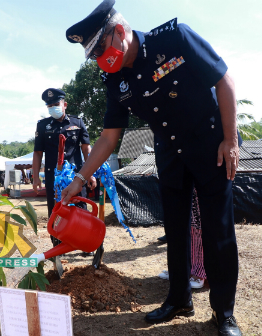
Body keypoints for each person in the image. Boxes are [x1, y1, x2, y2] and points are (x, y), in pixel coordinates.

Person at [62, 1, 242, 335]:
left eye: (101, 47)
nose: (101, 59)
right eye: (93, 55)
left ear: (120, 31)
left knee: (218, 231)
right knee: (174, 229)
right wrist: (80, 177)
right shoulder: (115, 80)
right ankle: (179, 299)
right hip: (170, 152)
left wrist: (230, 141)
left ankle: (223, 312)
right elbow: (108, 137)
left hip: (210, 145)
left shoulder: (173, 39)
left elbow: (224, 79)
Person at [32, 88, 96, 249]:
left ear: (64, 104)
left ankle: (84, 243)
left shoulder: (78, 123)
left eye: (56, 104)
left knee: (81, 208)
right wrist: (35, 177)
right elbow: (38, 153)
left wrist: (91, 174)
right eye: (50, 105)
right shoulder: (42, 125)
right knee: (56, 210)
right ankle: (58, 245)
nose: (53, 107)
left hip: (77, 177)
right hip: (53, 178)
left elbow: (86, 150)